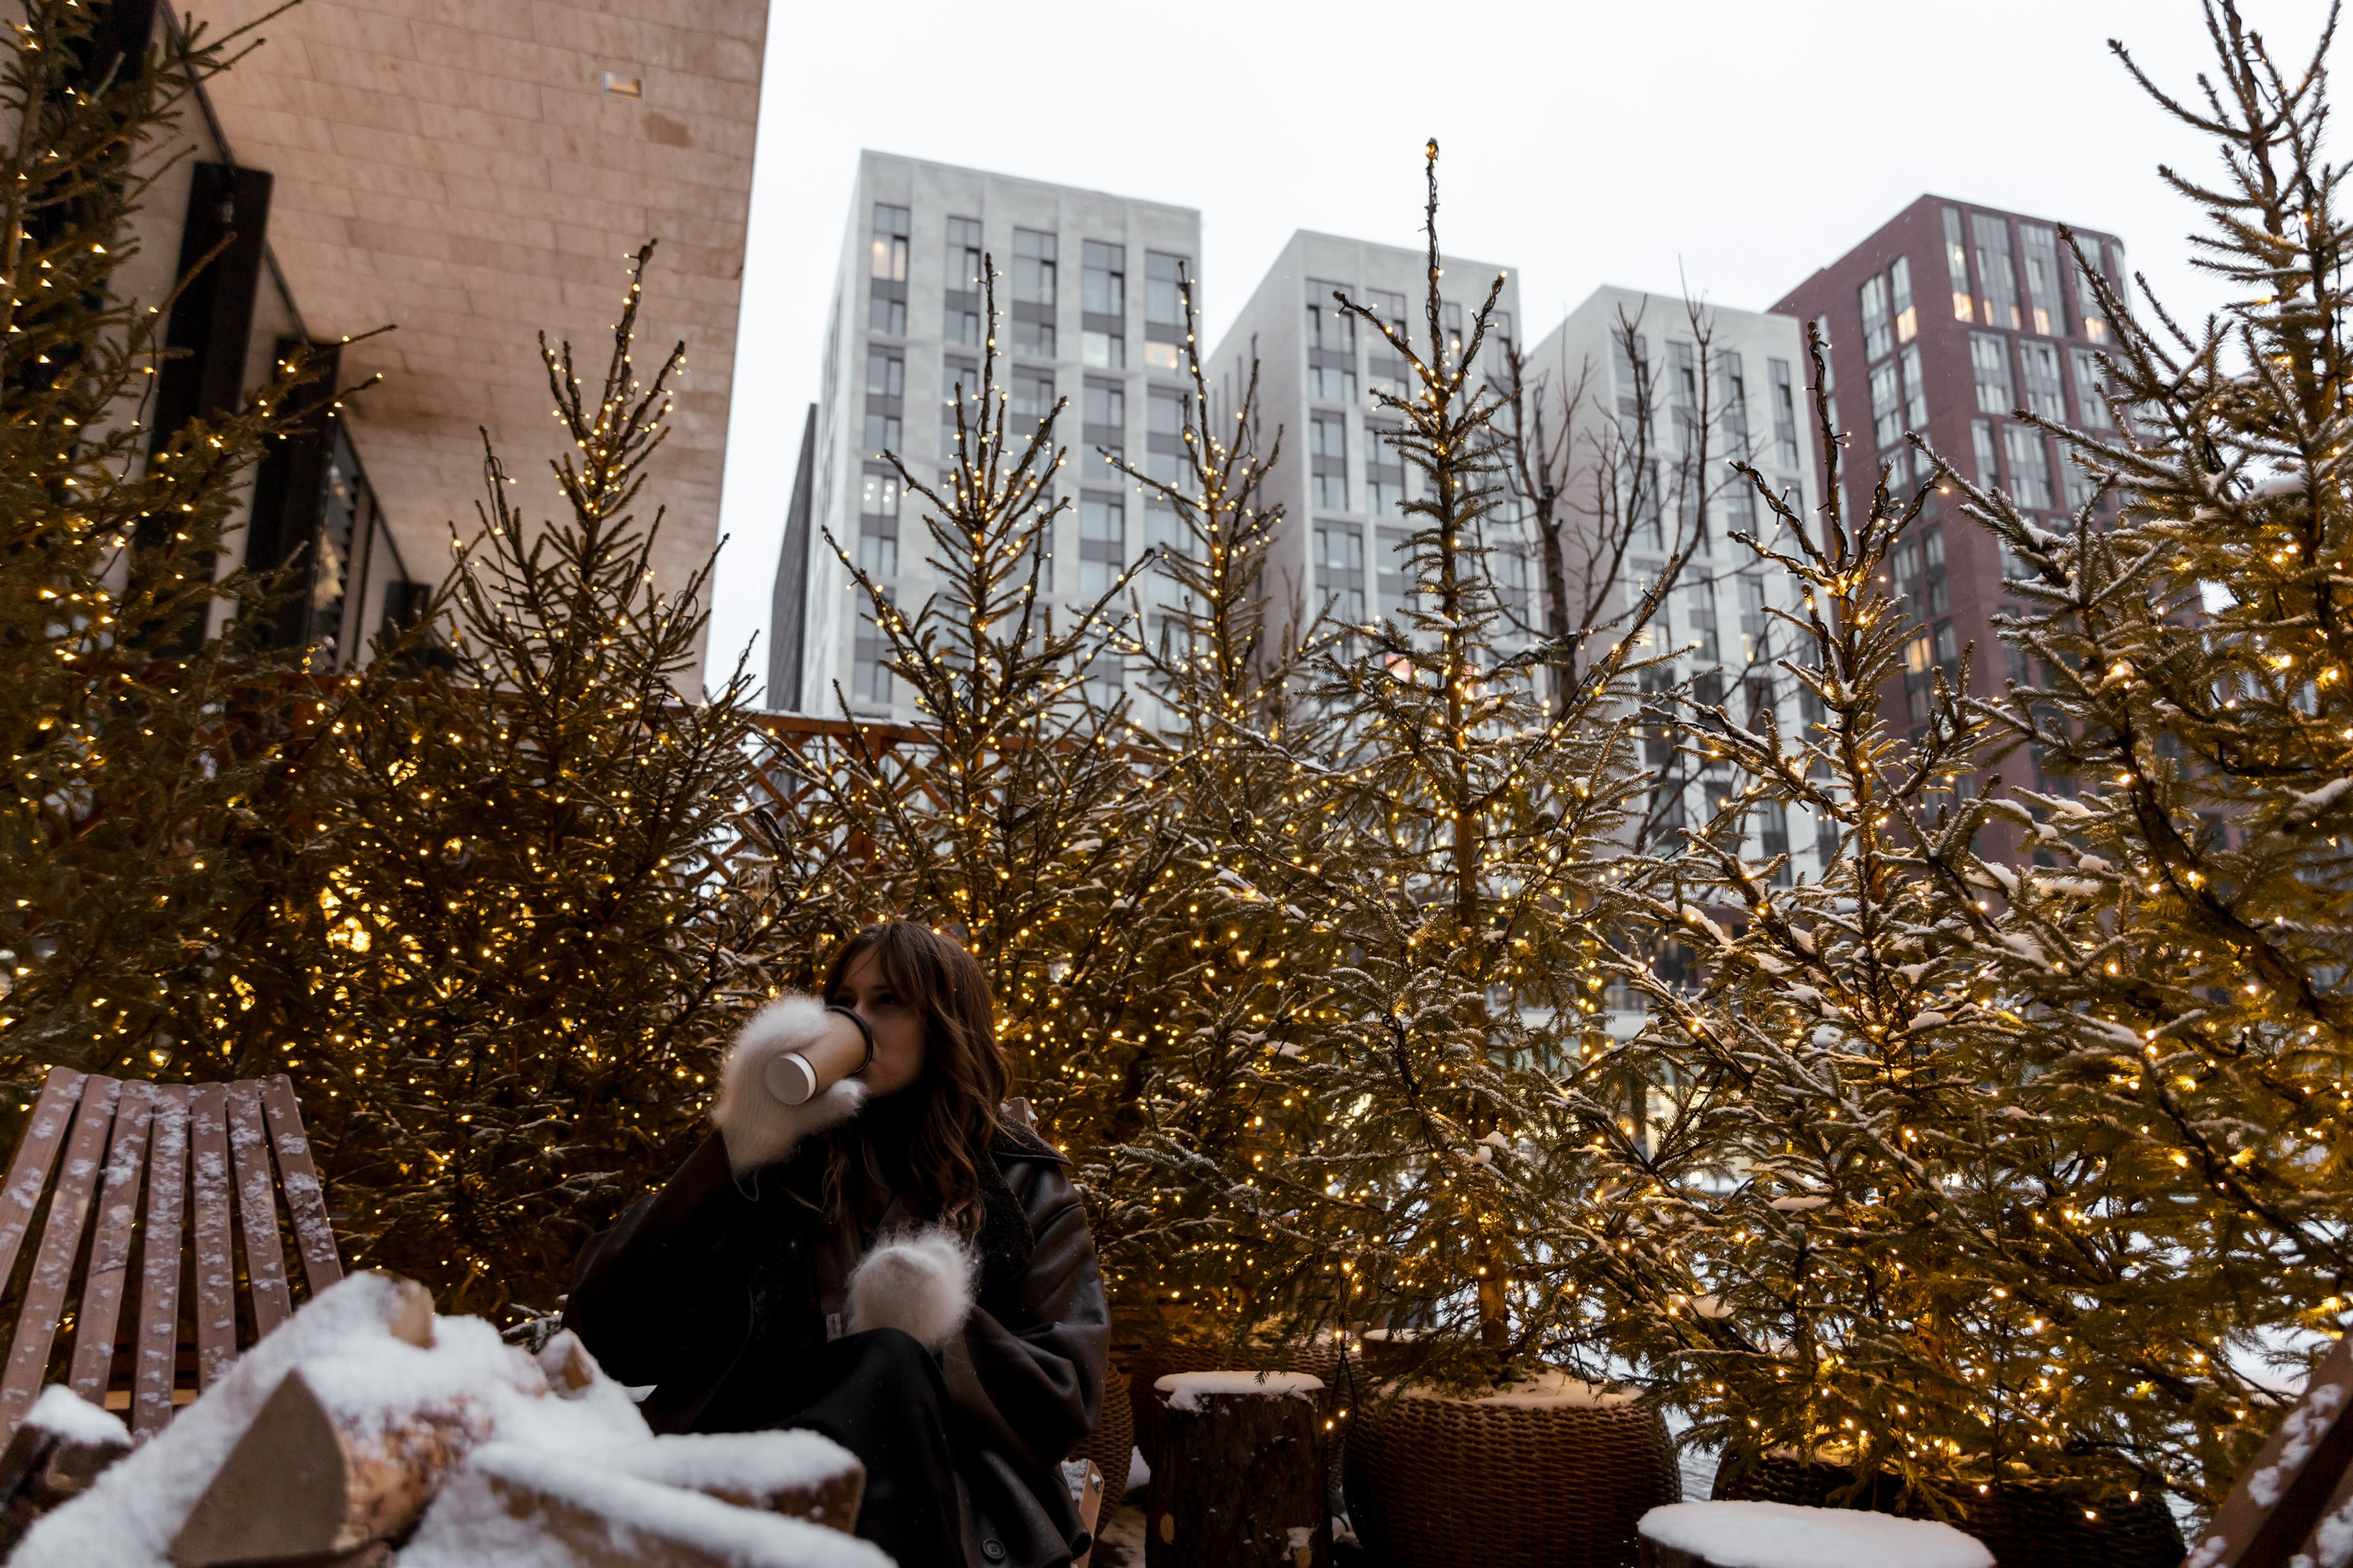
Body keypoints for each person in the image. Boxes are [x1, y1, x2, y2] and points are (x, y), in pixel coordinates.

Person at [564, 922, 1109, 1568]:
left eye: (888, 1001)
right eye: (844, 1001)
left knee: (889, 1360)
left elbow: (1063, 1399)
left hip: (935, 1499)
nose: (856, 1021)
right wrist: (735, 1149)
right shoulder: (780, 1162)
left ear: (946, 1024)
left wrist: (940, 1337)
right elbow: (607, 1336)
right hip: (756, 1465)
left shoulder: (1022, 1185)